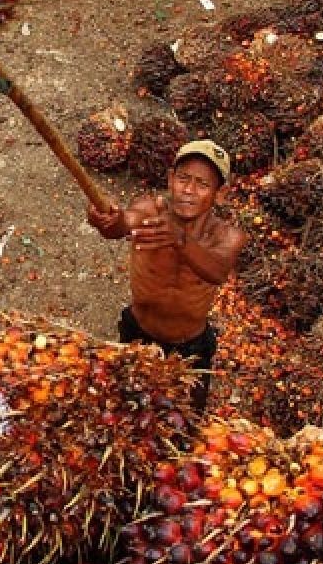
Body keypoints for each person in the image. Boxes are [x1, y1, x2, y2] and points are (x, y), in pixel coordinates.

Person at [87, 139, 246, 416]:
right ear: (171, 179)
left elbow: (218, 271)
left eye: (202, 184)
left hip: (190, 348)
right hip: (139, 334)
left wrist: (180, 239)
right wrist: (108, 221)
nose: (189, 190)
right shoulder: (151, 211)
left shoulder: (227, 236)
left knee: (184, 423)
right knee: (127, 413)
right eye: (183, 178)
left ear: (220, 194)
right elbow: (123, 223)